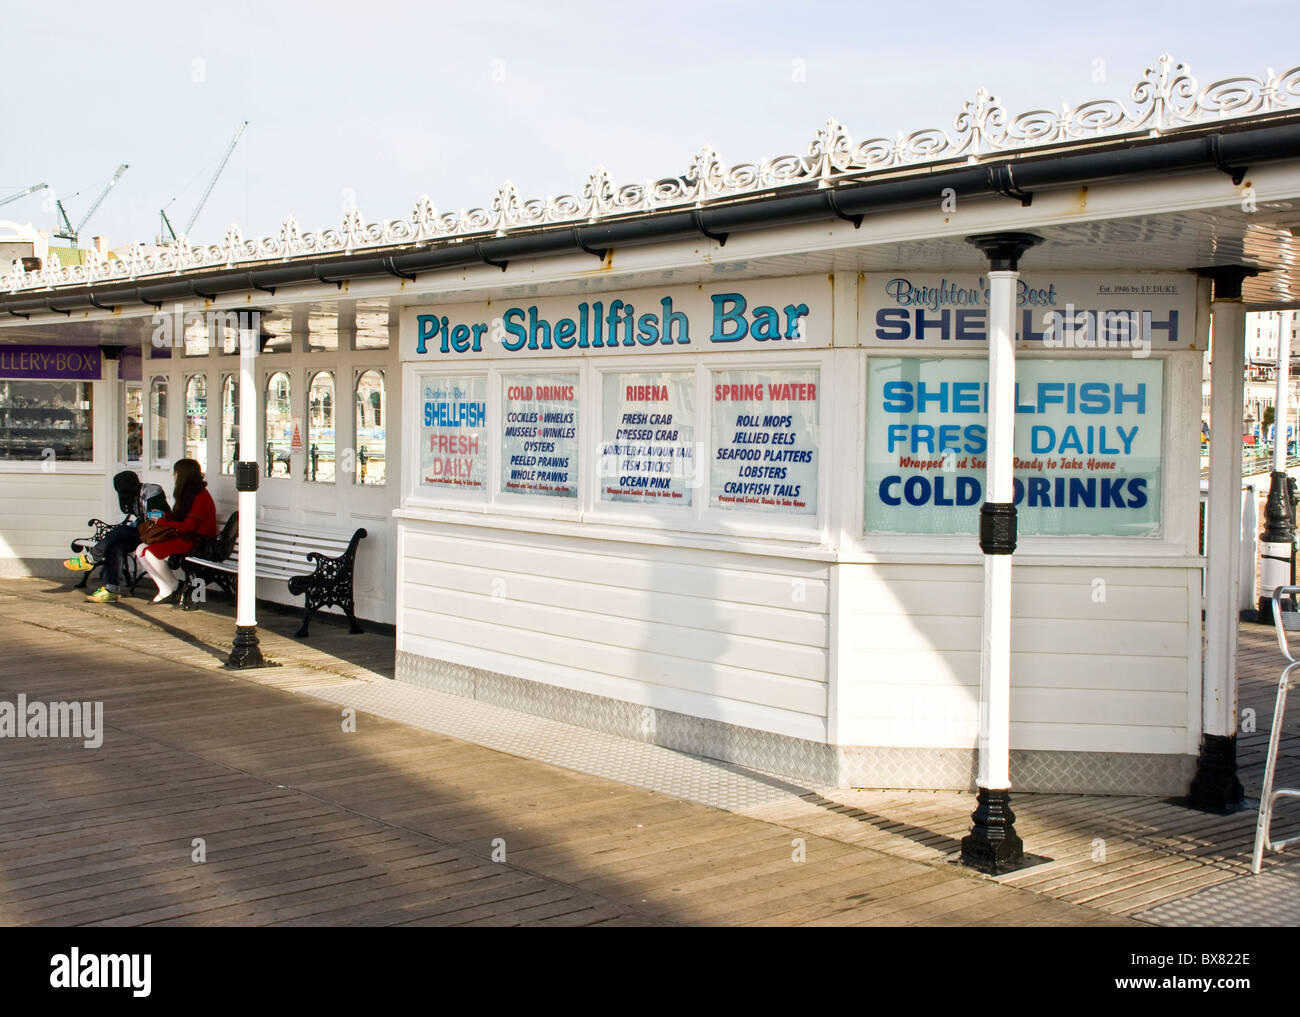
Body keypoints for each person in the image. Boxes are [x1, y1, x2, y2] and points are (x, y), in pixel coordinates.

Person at [65, 471, 170, 604]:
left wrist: (138, 527)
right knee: (116, 547)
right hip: (145, 534)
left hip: (159, 534)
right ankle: (111, 590)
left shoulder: (152, 493)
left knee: (120, 531)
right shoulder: (132, 496)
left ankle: (90, 559)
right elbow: (140, 520)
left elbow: (157, 521)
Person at [134, 458, 217, 604]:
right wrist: (164, 515)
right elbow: (181, 521)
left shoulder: (200, 496)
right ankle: (167, 588)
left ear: (182, 475)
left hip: (198, 541)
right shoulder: (189, 493)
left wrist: (162, 521)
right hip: (187, 537)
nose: (174, 476)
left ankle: (173, 586)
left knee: (149, 552)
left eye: (175, 473)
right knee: (140, 549)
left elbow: (188, 527)